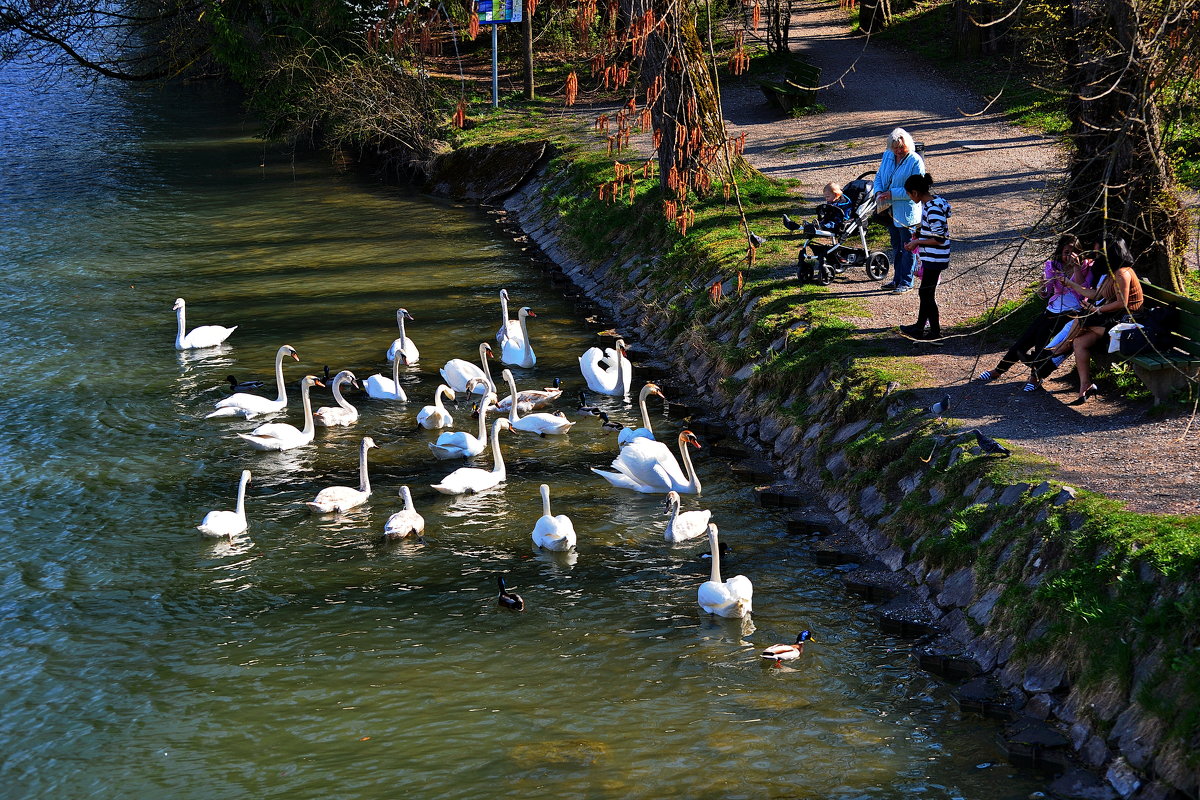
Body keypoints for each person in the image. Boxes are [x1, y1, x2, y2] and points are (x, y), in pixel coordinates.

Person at [976, 234, 1095, 389]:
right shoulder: (1053, 265)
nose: (1069, 256)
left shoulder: (1086, 266)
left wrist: (1076, 270)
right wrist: (1043, 285)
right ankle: (999, 370)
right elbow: (1047, 293)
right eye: (1066, 252)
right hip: (1052, 309)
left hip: (1073, 311)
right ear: (1060, 251)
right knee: (1026, 338)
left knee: (1043, 340)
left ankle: (1035, 377)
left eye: (1073, 252)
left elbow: (1083, 292)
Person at [1057, 234, 1143, 405]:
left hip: (1127, 323)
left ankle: (1054, 352)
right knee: (1079, 342)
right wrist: (1071, 284)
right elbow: (1095, 294)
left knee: (1081, 320)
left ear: (1111, 253)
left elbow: (1122, 303)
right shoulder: (1110, 273)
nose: (1096, 257)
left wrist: (1097, 309)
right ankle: (1085, 386)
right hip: (1112, 319)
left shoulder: (1122, 273)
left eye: (1099, 253)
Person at [873, 128, 925, 294]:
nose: (898, 151)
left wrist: (892, 193)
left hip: (906, 212)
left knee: (907, 247)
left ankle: (906, 281)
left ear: (907, 145)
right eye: (895, 147)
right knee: (896, 246)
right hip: (888, 209)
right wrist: (879, 192)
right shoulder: (887, 155)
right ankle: (897, 279)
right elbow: (879, 176)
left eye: (901, 147)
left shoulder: (915, 161)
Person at [898, 173, 950, 339]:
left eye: (908, 194)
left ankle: (935, 333)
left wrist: (917, 242)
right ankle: (920, 327)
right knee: (925, 293)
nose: (909, 197)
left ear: (915, 192)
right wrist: (919, 236)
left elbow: (939, 239)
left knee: (926, 293)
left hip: (935, 258)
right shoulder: (932, 203)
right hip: (932, 257)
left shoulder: (933, 208)